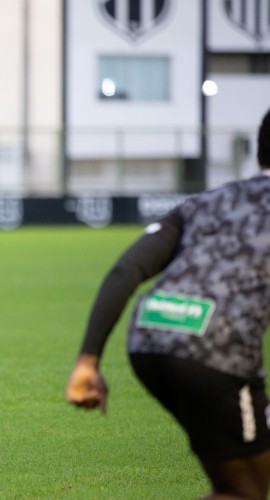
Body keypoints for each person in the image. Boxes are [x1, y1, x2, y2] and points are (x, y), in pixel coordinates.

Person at [66, 109, 270, 499]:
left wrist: (88, 361)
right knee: (246, 491)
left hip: (149, 331)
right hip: (217, 347)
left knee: (229, 481)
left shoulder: (211, 200)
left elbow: (127, 269)